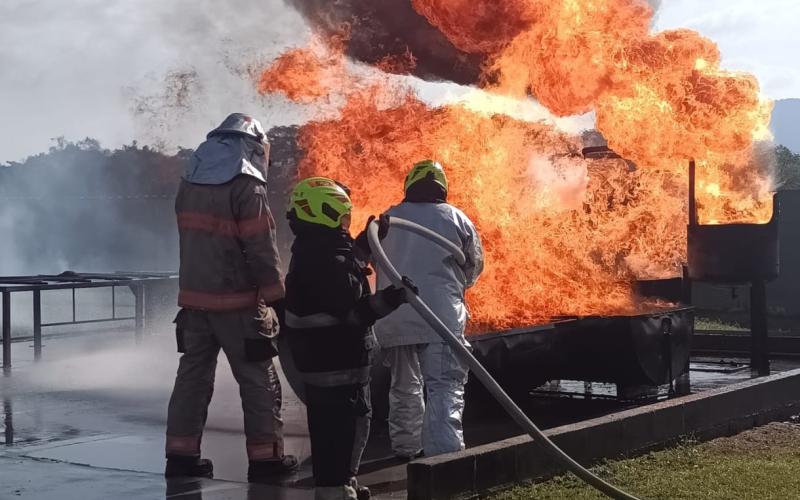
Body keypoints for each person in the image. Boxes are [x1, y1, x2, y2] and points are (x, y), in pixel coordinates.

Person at [165, 113, 298, 481]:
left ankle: (180, 457)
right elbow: (261, 249)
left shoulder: (189, 183)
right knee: (258, 381)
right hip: (239, 305)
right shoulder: (247, 186)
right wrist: (277, 299)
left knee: (192, 379)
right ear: (251, 148)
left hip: (194, 304)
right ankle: (266, 460)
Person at [284, 177, 411, 500]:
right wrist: (392, 299)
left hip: (329, 361)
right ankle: (334, 491)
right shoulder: (325, 261)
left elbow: (347, 267)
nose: (345, 222)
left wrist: (364, 245)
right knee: (339, 430)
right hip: (335, 363)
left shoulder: (317, 250)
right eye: (342, 216)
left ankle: (343, 483)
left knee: (346, 426)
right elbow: (354, 313)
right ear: (324, 212)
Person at [373, 159, 484, 458]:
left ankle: (406, 448)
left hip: (394, 315)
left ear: (409, 185)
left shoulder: (387, 219)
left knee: (403, 386)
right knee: (444, 387)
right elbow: (473, 266)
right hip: (439, 318)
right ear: (442, 188)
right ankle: (444, 459)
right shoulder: (456, 218)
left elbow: (375, 261)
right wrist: (457, 285)